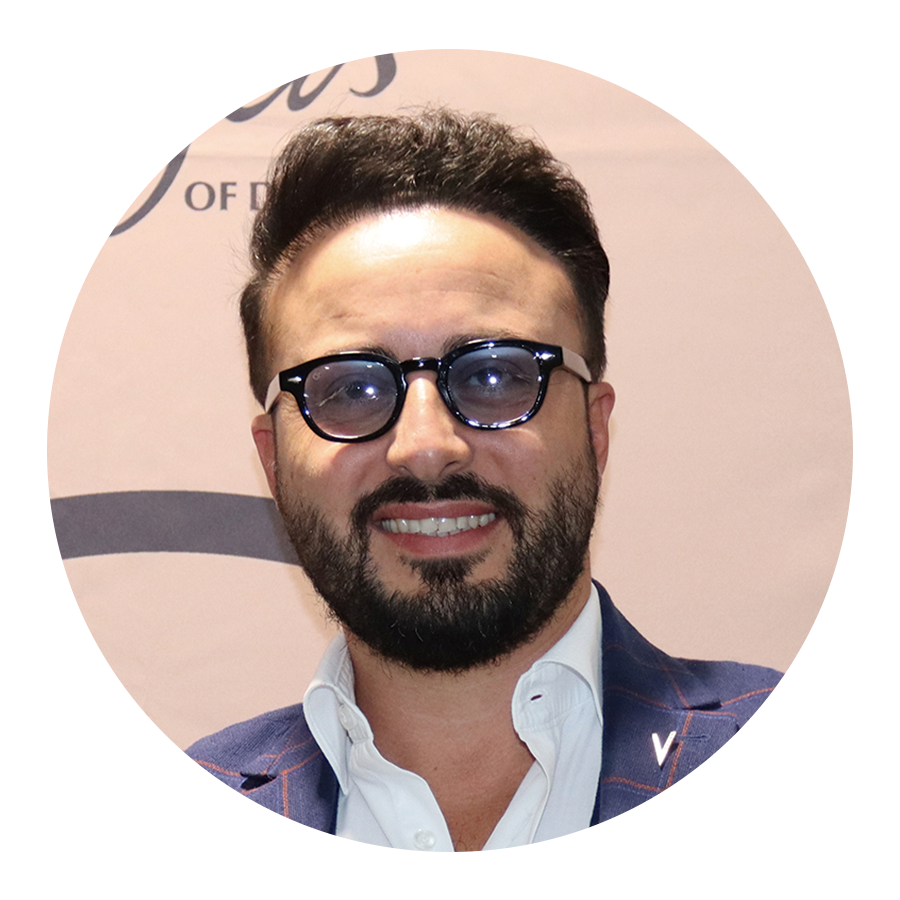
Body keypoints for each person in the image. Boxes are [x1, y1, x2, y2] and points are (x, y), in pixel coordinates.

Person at [48, 108, 852, 852]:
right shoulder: (114, 850)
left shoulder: (854, 776)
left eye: (496, 375)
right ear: (272, 461)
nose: (426, 448)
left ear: (595, 428)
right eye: (350, 389)